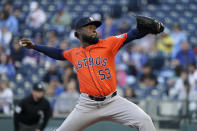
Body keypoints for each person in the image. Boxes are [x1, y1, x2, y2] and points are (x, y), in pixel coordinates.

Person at [19, 16, 164, 131]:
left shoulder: (109, 43)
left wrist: (146, 30)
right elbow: (58, 53)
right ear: (78, 33)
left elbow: (131, 34)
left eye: (95, 28)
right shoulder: (74, 53)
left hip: (113, 101)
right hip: (87, 105)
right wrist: (35, 46)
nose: (94, 30)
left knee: (145, 120)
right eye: (89, 27)